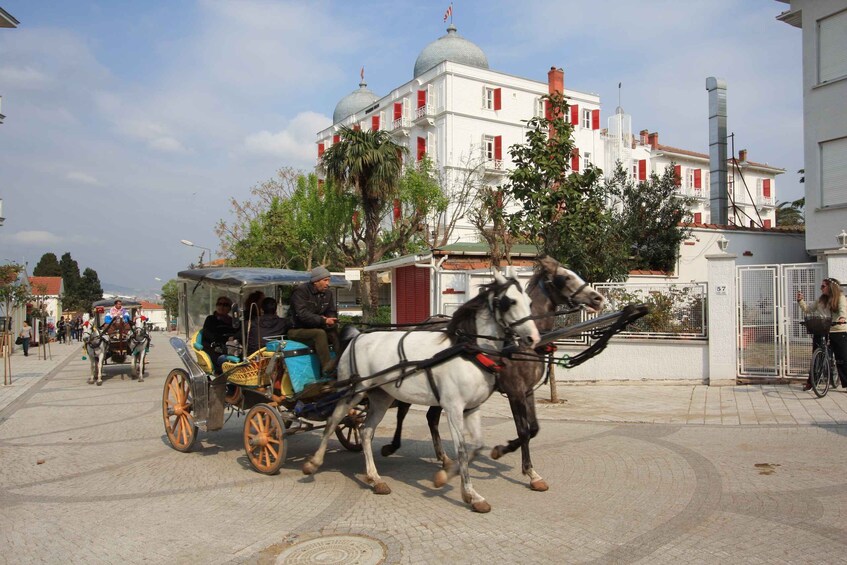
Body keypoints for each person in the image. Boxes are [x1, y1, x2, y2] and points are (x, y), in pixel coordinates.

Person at [287, 266, 340, 376]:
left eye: (328, 280)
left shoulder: (328, 294)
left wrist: (331, 320)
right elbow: (302, 314)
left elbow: (331, 311)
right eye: (325, 280)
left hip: (317, 326)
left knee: (334, 330)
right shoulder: (300, 291)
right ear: (316, 281)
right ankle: (327, 369)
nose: (328, 284)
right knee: (319, 334)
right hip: (296, 330)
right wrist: (322, 320)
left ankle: (342, 362)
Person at [797, 277, 847, 390]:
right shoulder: (820, 300)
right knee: (817, 356)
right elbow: (808, 310)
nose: (821, 288)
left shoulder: (840, 298)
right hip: (822, 329)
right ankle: (811, 382)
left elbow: (842, 310)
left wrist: (842, 317)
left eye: (823, 286)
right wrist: (800, 301)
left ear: (831, 287)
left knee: (842, 358)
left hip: (837, 330)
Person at [202, 295, 237, 374]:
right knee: (226, 361)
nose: (221, 306)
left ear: (230, 308)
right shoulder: (210, 319)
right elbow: (209, 335)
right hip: (214, 350)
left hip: (230, 349)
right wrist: (227, 339)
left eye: (225, 305)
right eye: (219, 304)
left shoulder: (233, 321)